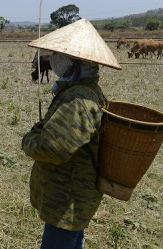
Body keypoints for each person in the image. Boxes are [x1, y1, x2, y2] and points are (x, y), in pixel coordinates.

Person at [21, 19, 122, 249]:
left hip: (67, 201)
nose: (52, 59)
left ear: (71, 62)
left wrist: (29, 139)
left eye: (58, 54)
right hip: (74, 199)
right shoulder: (87, 91)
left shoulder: (76, 100)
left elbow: (51, 148)